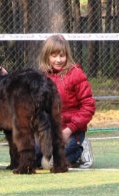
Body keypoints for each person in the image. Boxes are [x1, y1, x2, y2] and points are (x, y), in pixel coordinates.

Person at [38, 34, 96, 168]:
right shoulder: (41, 77)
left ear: (67, 55)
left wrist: (69, 130)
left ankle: (80, 148)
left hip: (72, 130)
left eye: (62, 55)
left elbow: (88, 106)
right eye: (54, 56)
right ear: (47, 56)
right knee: (34, 158)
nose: (58, 60)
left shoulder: (76, 74)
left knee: (54, 162)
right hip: (49, 131)